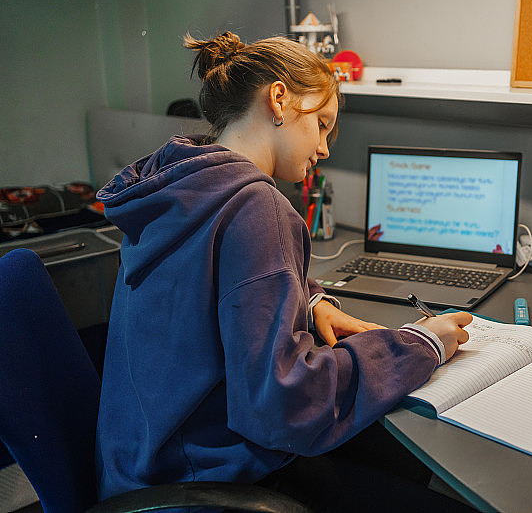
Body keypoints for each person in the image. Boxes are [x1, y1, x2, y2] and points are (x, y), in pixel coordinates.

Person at [94, 31, 473, 511]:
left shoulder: (183, 186)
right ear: (278, 99)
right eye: (322, 124)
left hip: (141, 463)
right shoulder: (258, 206)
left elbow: (209, 284)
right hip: (206, 485)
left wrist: (309, 300)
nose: (326, 148)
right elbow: (285, 404)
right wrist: (420, 344)